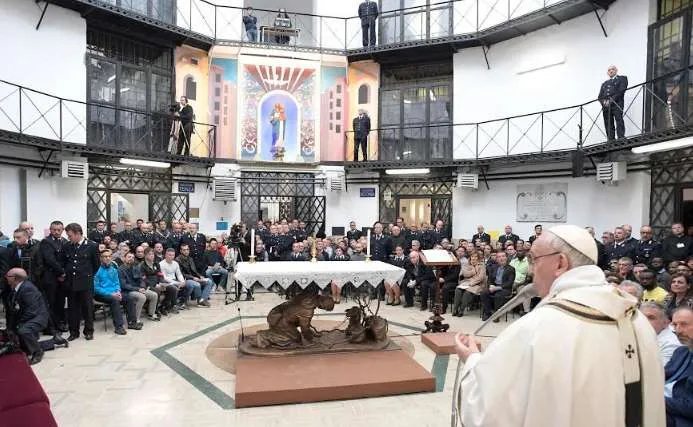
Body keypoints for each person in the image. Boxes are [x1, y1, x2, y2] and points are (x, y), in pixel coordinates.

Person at [454, 224, 665, 426]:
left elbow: (488, 412)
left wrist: (472, 360)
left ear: (560, 263)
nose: (532, 269)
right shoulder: (637, 320)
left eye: (534, 260)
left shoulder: (539, 327)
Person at [4, 268, 60, 365]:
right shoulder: (17, 288)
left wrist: (19, 324)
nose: (6, 278)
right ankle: (54, 342)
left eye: (8, 276)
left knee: (24, 331)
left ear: (15, 278)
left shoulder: (27, 289)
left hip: (38, 317)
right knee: (24, 346)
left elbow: (32, 311)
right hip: (30, 316)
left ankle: (37, 353)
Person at [61, 223, 99, 342]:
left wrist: (87, 275)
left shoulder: (92, 246)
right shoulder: (67, 246)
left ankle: (88, 331)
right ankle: (74, 332)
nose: (69, 238)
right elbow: (65, 262)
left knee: (87, 308)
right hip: (71, 283)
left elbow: (96, 265)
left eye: (70, 235)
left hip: (85, 282)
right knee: (73, 309)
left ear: (78, 234)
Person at [665, 306, 693, 427]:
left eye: (684, 324)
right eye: (675, 325)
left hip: (679, 418)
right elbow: (662, 375)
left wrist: (654, 400)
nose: (678, 330)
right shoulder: (681, 351)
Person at [93, 250, 128, 335]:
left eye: (109, 256)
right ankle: (119, 327)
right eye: (105, 256)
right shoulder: (96, 270)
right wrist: (111, 294)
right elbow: (96, 288)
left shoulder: (114, 269)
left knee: (128, 297)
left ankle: (132, 322)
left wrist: (118, 291)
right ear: (101, 258)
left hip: (114, 293)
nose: (108, 258)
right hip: (100, 294)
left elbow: (117, 283)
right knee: (114, 300)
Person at [640, 301, 681, 366]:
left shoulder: (670, 344)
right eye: (642, 317)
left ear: (665, 323)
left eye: (651, 318)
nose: (644, 320)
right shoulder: (641, 334)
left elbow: (659, 372)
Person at [480, 251, 515, 321]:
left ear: (506, 257)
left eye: (503, 256)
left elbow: (509, 283)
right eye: (499, 257)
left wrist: (497, 288)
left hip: (505, 288)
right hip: (494, 286)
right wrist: (490, 286)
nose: (501, 258)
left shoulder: (511, 269)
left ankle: (496, 314)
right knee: (484, 293)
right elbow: (490, 279)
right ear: (496, 259)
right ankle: (488, 312)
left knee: (498, 295)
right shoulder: (494, 267)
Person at [598, 65, 628, 140]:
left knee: (619, 120)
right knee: (608, 123)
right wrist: (604, 102)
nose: (611, 71)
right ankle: (610, 139)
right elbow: (600, 96)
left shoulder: (622, 78)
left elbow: (621, 91)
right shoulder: (604, 83)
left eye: (613, 69)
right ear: (607, 73)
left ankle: (621, 137)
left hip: (616, 103)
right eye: (609, 70)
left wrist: (611, 100)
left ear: (616, 70)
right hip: (606, 106)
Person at [452, 251, 486, 317]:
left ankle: (461, 310)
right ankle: (455, 309)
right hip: (465, 283)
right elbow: (464, 274)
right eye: (472, 256)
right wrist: (474, 270)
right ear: (470, 257)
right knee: (458, 290)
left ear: (478, 258)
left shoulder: (482, 265)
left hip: (477, 284)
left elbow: (481, 277)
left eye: (476, 257)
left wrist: (471, 283)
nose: (474, 258)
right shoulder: (466, 265)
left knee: (467, 292)